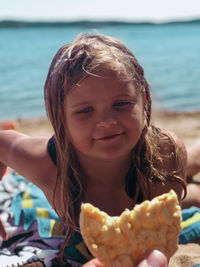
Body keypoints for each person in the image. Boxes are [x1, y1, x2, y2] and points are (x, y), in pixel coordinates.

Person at [0, 34, 187, 266]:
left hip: (145, 159)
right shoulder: (46, 164)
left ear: (144, 101)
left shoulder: (165, 154)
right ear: (61, 119)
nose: (106, 121)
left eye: (121, 104)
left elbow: (161, 242)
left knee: (188, 181)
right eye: (85, 111)